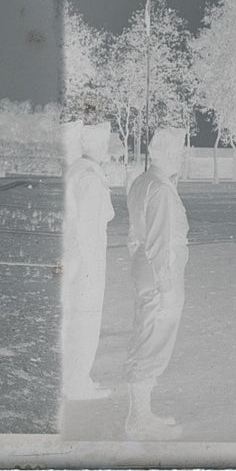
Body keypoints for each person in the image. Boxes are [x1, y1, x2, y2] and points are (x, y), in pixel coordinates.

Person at [123, 127, 190, 440]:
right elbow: (161, 242)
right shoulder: (161, 189)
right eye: (179, 152)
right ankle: (139, 418)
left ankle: (141, 412)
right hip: (160, 272)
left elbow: (135, 236)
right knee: (154, 341)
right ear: (171, 154)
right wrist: (166, 288)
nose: (182, 157)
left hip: (143, 269)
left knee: (145, 336)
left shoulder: (143, 182)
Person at [62, 121, 114, 401]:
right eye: (104, 144)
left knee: (74, 323)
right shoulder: (91, 179)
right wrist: (89, 269)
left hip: (74, 261)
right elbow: (88, 231)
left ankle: (72, 379)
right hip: (87, 265)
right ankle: (77, 383)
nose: (107, 149)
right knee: (86, 323)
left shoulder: (77, 171)